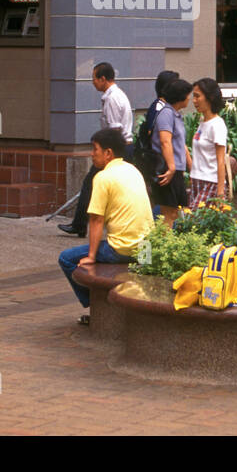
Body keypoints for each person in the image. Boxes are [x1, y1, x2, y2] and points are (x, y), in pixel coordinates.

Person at [57, 128, 153, 325]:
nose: (92, 154)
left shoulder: (102, 177)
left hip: (122, 249)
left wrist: (91, 256)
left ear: (108, 153)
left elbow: (95, 220)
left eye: (95, 149)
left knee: (66, 259)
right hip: (147, 248)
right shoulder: (133, 170)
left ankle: (97, 310)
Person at [59, 62, 135, 236]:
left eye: (94, 78)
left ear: (103, 79)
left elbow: (114, 131)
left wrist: (107, 156)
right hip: (118, 150)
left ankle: (80, 225)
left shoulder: (112, 98)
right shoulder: (115, 95)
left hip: (115, 151)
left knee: (90, 185)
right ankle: (80, 224)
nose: (92, 82)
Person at [151, 77, 192, 226]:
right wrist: (172, 167)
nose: (190, 98)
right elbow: (165, 140)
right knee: (168, 214)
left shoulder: (175, 114)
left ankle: (169, 245)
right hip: (168, 171)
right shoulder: (166, 113)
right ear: (181, 96)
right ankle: (163, 247)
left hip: (176, 171)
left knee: (175, 213)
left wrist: (190, 165)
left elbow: (180, 144)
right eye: (189, 94)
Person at [189, 78, 228, 207]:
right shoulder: (202, 123)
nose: (194, 101)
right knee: (196, 225)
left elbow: (221, 160)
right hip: (196, 180)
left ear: (210, 97)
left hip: (211, 182)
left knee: (192, 221)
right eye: (193, 96)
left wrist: (220, 193)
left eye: (197, 96)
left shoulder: (217, 125)